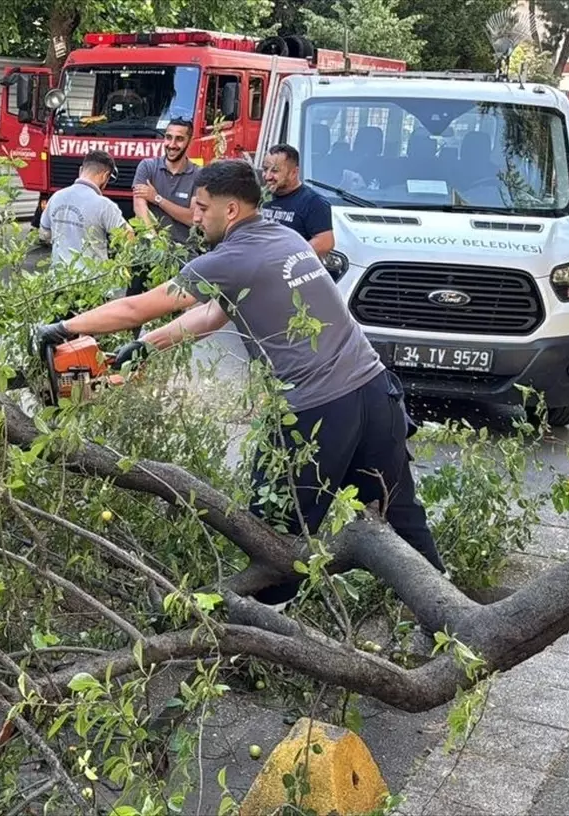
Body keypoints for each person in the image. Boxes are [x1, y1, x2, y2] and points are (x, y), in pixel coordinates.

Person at [33, 160, 445, 606]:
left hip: (319, 411)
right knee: (400, 517)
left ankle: (262, 636)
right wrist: (149, 346)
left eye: (201, 206)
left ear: (230, 211)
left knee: (272, 539)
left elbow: (138, 307)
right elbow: (214, 313)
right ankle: (449, 618)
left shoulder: (233, 256)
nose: (194, 215)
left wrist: (65, 327)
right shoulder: (282, 238)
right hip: (375, 393)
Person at [127, 119, 201, 297]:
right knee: (133, 311)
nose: (172, 144)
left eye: (179, 139)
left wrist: (157, 198)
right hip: (146, 253)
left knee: (173, 317)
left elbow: (192, 218)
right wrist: (154, 240)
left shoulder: (199, 175)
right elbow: (139, 206)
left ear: (189, 141)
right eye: (168, 137)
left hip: (181, 256)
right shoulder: (147, 167)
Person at [39, 150, 131, 269]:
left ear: (81, 170)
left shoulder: (56, 197)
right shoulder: (104, 205)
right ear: (105, 175)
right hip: (93, 284)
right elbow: (128, 235)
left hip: (59, 280)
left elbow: (44, 234)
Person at [260, 144, 335, 262]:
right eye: (265, 169)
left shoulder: (313, 202)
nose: (267, 176)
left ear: (294, 172)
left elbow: (325, 242)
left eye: (275, 171)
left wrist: (288, 258)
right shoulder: (261, 197)